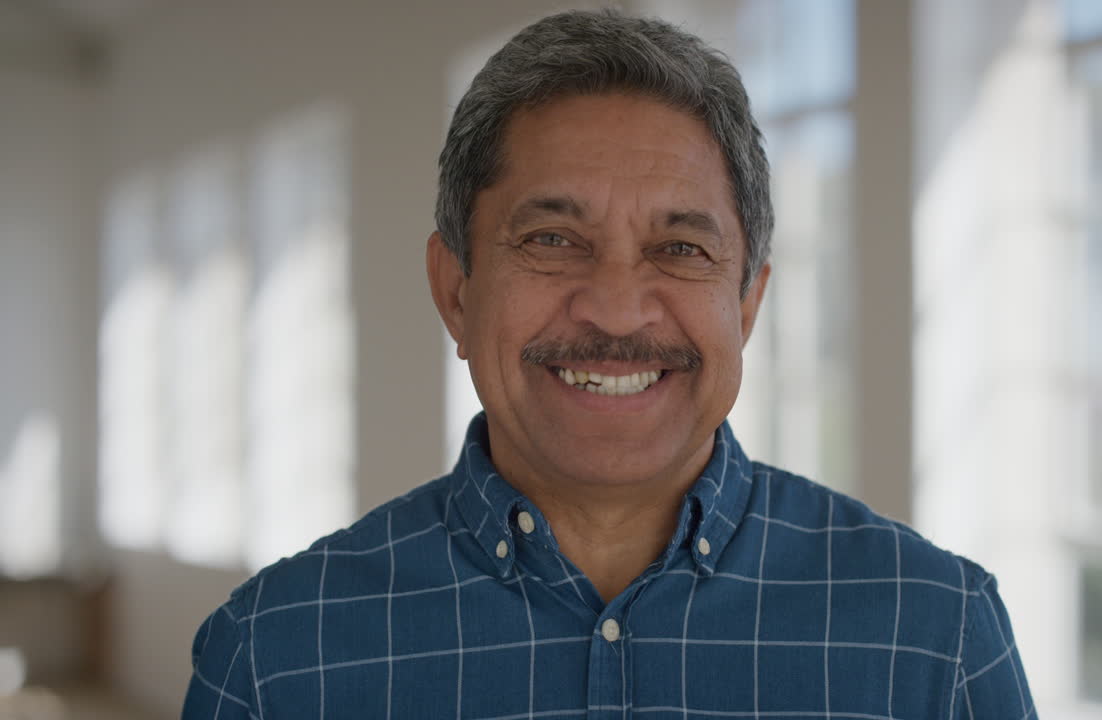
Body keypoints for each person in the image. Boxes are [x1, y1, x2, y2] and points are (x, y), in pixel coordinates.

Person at [182, 9, 1035, 719]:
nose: (618, 309)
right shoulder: (274, 660)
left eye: (680, 247)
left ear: (747, 305)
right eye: (552, 240)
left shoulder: (937, 638)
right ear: (455, 292)